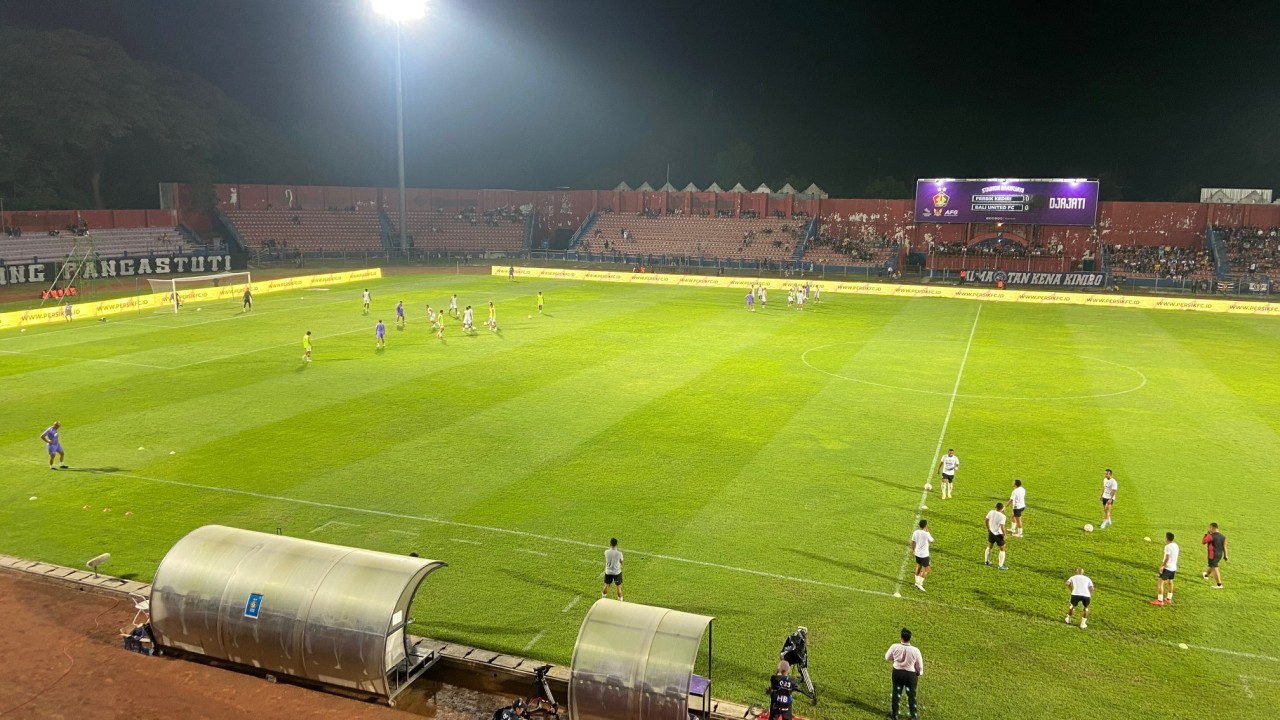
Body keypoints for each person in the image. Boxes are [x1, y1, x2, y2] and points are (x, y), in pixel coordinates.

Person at [884, 628, 923, 720]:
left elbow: (887, 657)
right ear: (910, 638)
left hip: (897, 673)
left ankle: (895, 715)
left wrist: (895, 660)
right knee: (911, 695)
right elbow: (920, 665)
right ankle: (913, 716)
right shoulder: (915, 650)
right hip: (910, 675)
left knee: (896, 693)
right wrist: (919, 673)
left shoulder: (894, 646)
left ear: (901, 637)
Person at [779, 626, 815, 702]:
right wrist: (803, 664)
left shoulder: (792, 637)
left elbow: (784, 648)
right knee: (804, 670)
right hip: (797, 658)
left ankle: (781, 686)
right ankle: (811, 692)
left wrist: (783, 658)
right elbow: (804, 656)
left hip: (789, 657)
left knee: (783, 671)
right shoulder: (802, 640)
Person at [1152, 532, 1179, 606]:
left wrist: (1162, 566)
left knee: (1160, 583)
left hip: (1168, 567)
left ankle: (1160, 601)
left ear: (1167, 538)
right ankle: (1169, 598)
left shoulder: (1167, 547)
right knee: (1170, 582)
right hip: (1173, 567)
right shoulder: (1176, 545)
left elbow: (1167, 558)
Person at [1201, 522, 1228, 589]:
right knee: (1212, 565)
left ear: (1212, 528)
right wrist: (1225, 555)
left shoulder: (1211, 536)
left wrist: (1206, 534)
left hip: (1212, 554)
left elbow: (1203, 542)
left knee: (1215, 568)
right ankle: (1206, 575)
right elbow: (1224, 546)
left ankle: (1219, 584)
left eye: (1209, 528)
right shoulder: (1223, 537)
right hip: (1219, 555)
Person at [910, 519, 934, 592]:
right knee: (926, 569)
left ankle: (916, 582)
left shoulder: (915, 532)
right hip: (924, 555)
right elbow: (932, 541)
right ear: (926, 525)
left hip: (917, 553)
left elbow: (913, 542)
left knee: (918, 566)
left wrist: (913, 550)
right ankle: (920, 584)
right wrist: (928, 531)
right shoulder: (926, 534)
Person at [984, 502, 1008, 570]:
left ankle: (986, 561)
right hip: (998, 534)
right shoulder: (1002, 516)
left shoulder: (991, 512)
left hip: (991, 532)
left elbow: (986, 520)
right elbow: (1002, 526)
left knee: (990, 546)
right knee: (1002, 549)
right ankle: (1000, 566)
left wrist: (988, 528)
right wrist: (1005, 534)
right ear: (1002, 508)